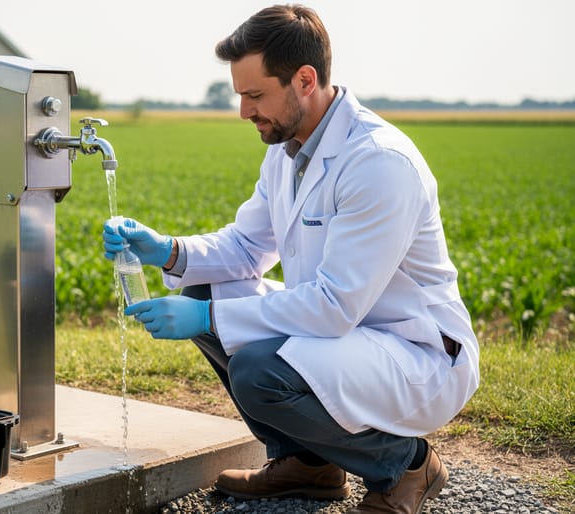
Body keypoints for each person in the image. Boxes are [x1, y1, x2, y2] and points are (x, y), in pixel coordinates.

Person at [101, 4, 479, 513]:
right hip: (346, 334)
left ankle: (405, 465)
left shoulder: (378, 163)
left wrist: (209, 318)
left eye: (255, 95)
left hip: (413, 351)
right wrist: (165, 249)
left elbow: (333, 307)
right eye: (240, 95)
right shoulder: (287, 149)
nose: (243, 112)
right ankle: (309, 464)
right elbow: (247, 249)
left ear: (305, 79)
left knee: (259, 369)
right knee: (205, 290)